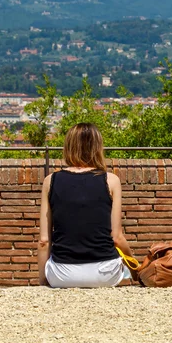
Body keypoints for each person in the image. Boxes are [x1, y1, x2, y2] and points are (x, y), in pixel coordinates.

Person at [37, 122, 133, 288]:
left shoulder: (50, 181)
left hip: (61, 274)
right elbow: (117, 238)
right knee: (125, 272)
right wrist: (135, 266)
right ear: (98, 147)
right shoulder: (111, 181)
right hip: (104, 273)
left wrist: (43, 280)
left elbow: (44, 241)